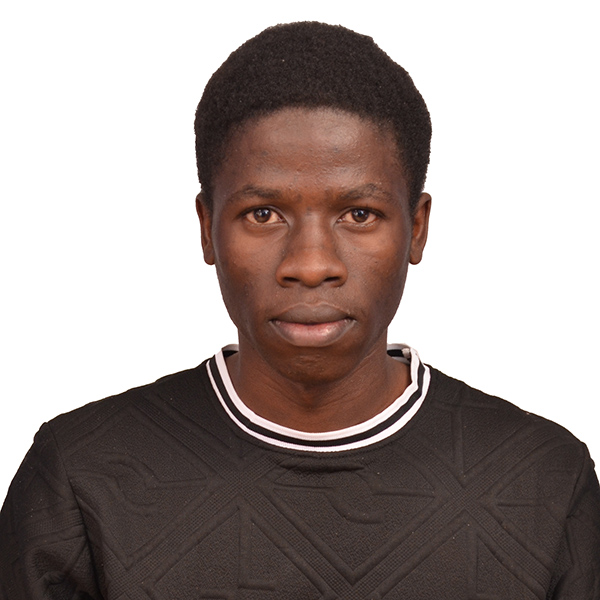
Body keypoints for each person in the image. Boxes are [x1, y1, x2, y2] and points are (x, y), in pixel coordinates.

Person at [1, 21, 599, 599]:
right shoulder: (80, 478)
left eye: (359, 214)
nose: (311, 264)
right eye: (263, 214)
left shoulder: (544, 480)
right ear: (208, 229)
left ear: (416, 228)